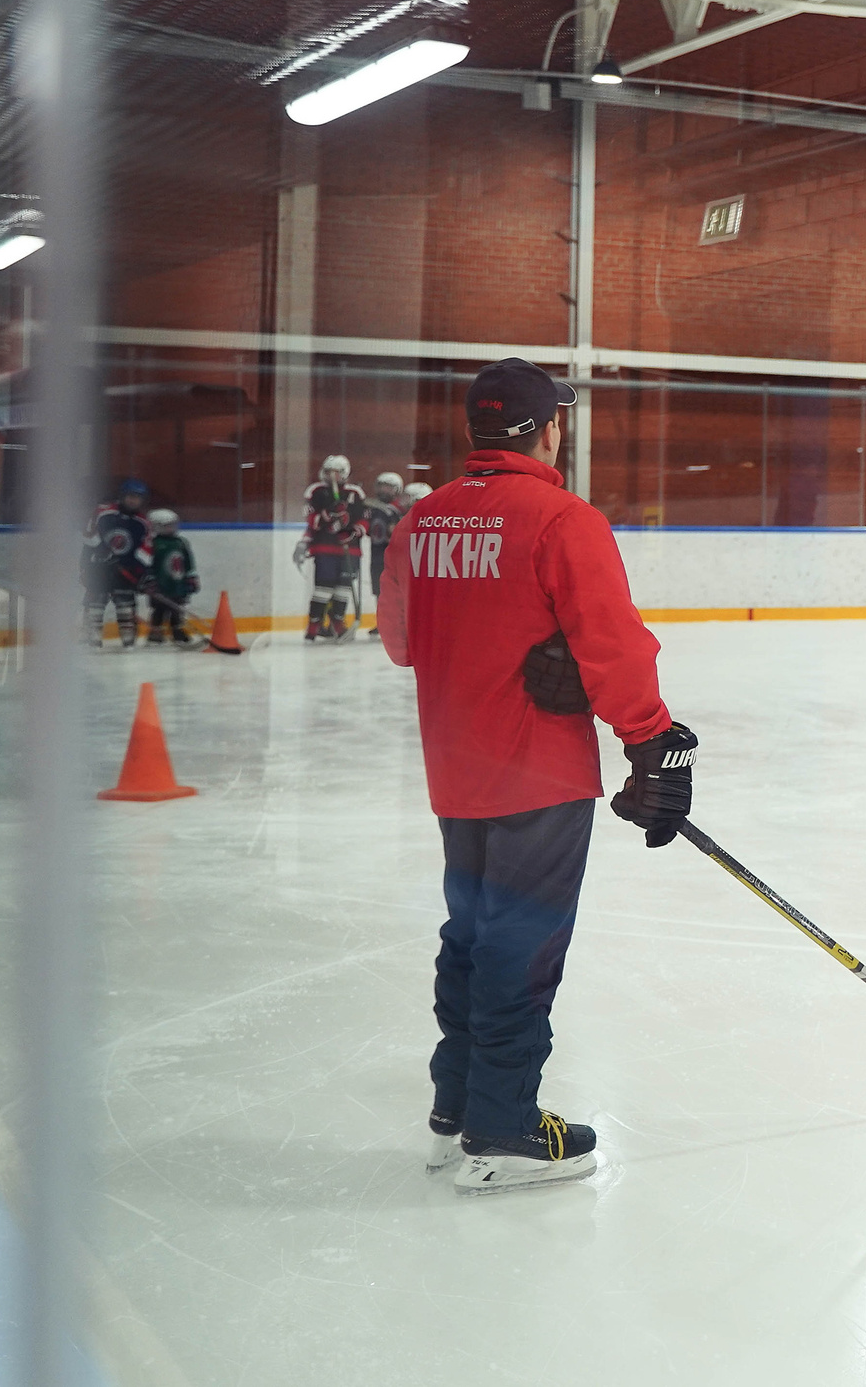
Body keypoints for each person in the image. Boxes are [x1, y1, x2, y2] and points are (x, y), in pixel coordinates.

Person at [380, 357, 696, 1196]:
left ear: (476, 429)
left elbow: (402, 642)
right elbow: (613, 644)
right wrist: (652, 741)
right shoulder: (562, 519)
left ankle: (455, 1109)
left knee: (471, 933)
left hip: (457, 770)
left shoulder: (423, 521)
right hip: (538, 775)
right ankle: (505, 1128)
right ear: (548, 427)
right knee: (522, 946)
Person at [298, 455, 368, 641]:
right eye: (328, 472)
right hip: (324, 547)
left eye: (336, 472)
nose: (332, 476)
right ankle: (314, 624)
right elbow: (310, 518)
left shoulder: (356, 493)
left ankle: (337, 623)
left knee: (343, 589)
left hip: (349, 549)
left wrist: (353, 532)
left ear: (344, 473)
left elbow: (364, 519)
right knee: (323, 587)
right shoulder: (316, 491)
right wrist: (328, 515)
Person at [84, 478, 153, 650]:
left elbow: (145, 553)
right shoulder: (103, 513)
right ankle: (93, 640)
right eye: (130, 496)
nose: (132, 500)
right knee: (95, 607)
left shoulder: (142, 523)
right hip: (100, 570)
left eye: (137, 497)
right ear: (122, 496)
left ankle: (128, 641)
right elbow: (90, 539)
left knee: (126, 609)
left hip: (125, 573)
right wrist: (93, 561)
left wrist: (141, 574)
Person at [143, 510, 200, 647]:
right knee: (159, 610)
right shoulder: (153, 543)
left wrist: (191, 577)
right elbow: (147, 563)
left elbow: (188, 561)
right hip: (160, 585)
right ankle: (155, 634)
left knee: (177, 609)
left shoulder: (181, 542)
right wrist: (149, 579)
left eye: (173, 525)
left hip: (177, 584)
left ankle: (177, 632)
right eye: (167, 525)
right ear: (156, 526)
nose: (171, 528)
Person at [363, 471, 407, 605]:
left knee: (393, 591)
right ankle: (382, 623)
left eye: (388, 487)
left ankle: (393, 624)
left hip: (393, 558)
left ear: (397, 489)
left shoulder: (399, 510)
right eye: (381, 486)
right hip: (377, 556)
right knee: (379, 590)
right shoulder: (374, 508)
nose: (383, 490)